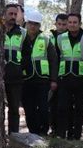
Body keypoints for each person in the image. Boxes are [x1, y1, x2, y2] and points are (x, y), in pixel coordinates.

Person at [20, 8, 56, 136]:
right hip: (26, 79)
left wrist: (53, 80)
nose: (33, 26)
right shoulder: (20, 38)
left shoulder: (45, 39)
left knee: (43, 107)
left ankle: (43, 131)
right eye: (31, 23)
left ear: (39, 25)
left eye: (36, 24)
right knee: (29, 108)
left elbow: (53, 60)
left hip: (42, 80)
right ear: (26, 23)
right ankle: (33, 132)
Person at [53, 12, 83, 139]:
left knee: (79, 108)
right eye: (70, 22)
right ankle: (61, 134)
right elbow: (58, 57)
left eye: (75, 22)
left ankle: (76, 135)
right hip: (65, 77)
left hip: (82, 77)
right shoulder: (60, 38)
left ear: (79, 24)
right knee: (62, 107)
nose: (72, 25)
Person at [2, 3, 28, 132]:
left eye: (15, 14)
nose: (13, 16)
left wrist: (21, 69)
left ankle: (14, 135)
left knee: (14, 108)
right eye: (10, 14)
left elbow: (26, 54)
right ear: (4, 14)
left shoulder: (23, 33)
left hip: (16, 76)